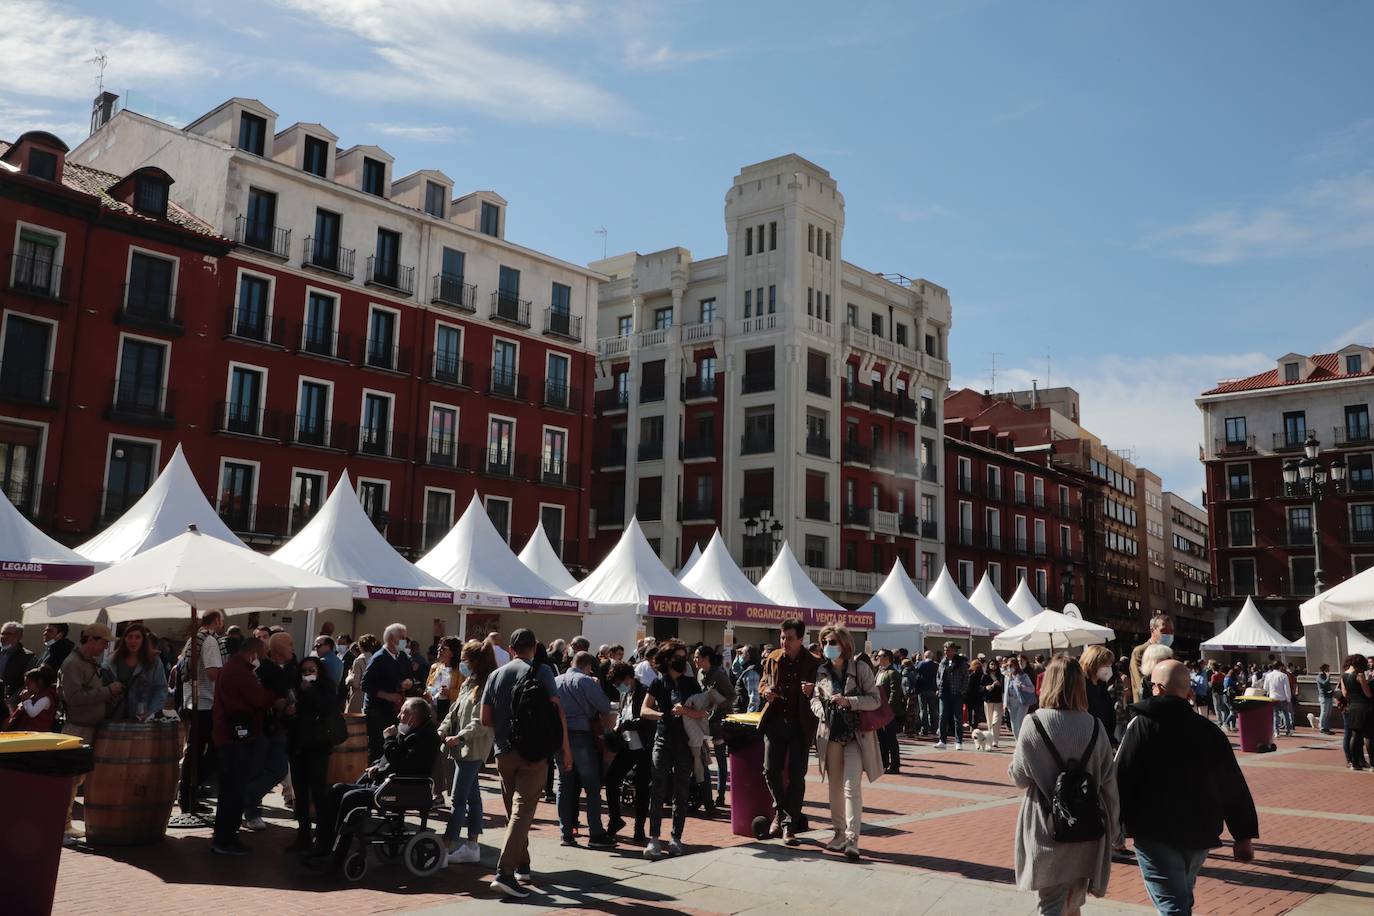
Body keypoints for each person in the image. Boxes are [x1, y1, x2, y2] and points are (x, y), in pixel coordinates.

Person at [1116, 659, 1258, 914]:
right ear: (1190, 692)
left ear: (1156, 688)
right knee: (1181, 893)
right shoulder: (1210, 731)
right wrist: (1243, 835)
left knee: (1173, 903)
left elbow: (1122, 776)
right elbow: (1232, 785)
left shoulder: (1142, 726)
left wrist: (1112, 824)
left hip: (1154, 830)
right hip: (1199, 831)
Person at [1008, 655, 1120, 915]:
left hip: (1046, 826)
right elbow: (1108, 783)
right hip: (1088, 828)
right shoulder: (1095, 726)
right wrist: (1114, 828)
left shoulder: (1033, 723)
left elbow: (1020, 778)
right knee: (1072, 902)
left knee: (1051, 904)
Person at [480, 628, 571, 899]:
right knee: (522, 812)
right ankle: (505, 873)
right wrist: (565, 749)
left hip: (503, 752)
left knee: (513, 812)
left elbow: (486, 719)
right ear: (534, 647)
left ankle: (523, 865)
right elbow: (557, 711)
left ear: (510, 648)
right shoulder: (542, 672)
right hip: (533, 752)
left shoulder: (495, 675)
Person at [309, 697, 441, 867]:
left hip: (400, 788)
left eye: (403, 713)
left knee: (351, 798)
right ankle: (323, 842)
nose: (399, 715)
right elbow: (392, 759)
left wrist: (390, 739)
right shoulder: (411, 730)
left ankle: (337, 853)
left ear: (412, 717)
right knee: (336, 789)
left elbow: (402, 765)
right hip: (387, 783)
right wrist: (378, 766)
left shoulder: (423, 737)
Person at [811, 624, 882, 860]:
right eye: (825, 643)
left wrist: (849, 701)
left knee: (851, 787)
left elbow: (875, 700)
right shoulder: (821, 670)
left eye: (832, 642)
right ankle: (839, 833)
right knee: (834, 787)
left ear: (844, 645)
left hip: (855, 736)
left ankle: (852, 838)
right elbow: (814, 699)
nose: (828, 647)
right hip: (830, 734)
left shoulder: (860, 668)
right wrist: (822, 710)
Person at [639, 638, 706, 859]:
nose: (682, 661)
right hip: (663, 740)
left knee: (681, 789)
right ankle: (654, 838)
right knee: (657, 787)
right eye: (677, 657)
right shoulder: (659, 682)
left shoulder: (691, 684)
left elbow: (702, 714)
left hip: (685, 742)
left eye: (683, 657)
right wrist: (664, 715)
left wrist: (685, 711)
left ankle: (676, 837)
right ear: (667, 659)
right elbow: (644, 710)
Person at [210, 637, 276, 856]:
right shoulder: (239, 671)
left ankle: (227, 837)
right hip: (235, 740)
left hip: (230, 738)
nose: (265, 658)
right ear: (253, 654)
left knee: (231, 791)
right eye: (264, 654)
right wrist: (274, 691)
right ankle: (225, 840)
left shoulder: (233, 668)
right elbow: (259, 699)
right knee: (233, 792)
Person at [758, 618, 820, 844]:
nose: (785, 642)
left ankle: (789, 826)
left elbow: (822, 691)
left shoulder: (813, 662)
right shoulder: (773, 658)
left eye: (790, 638)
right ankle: (781, 812)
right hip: (774, 723)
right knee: (769, 770)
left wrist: (812, 690)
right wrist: (766, 691)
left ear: (801, 639)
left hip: (800, 726)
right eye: (782, 637)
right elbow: (762, 683)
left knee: (796, 776)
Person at [58, 623, 121, 845]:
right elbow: (74, 698)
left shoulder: (86, 663)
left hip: (88, 727)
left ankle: (65, 826)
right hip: (77, 728)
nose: (105, 647)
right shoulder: (73, 663)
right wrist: (107, 691)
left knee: (77, 780)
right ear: (91, 639)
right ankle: (60, 829)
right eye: (103, 642)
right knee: (70, 780)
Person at [439, 639, 496, 864]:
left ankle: (445, 846)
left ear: (474, 661)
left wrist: (459, 737)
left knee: (458, 798)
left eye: (464, 659)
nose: (461, 663)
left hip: (472, 747)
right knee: (473, 797)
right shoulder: (468, 682)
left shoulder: (488, 686)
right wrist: (443, 729)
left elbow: (481, 722)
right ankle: (472, 845)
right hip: (460, 747)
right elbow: (454, 711)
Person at [553, 650, 614, 846]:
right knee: (592, 786)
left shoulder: (556, 681)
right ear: (588, 666)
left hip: (560, 736)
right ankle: (595, 833)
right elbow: (604, 705)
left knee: (565, 784)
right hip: (581, 736)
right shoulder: (586, 681)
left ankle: (565, 833)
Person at [244, 631, 297, 831]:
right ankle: (250, 808)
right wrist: (284, 706)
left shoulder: (292, 667)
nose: (293, 646)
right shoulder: (264, 669)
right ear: (277, 649)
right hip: (264, 728)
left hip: (280, 728)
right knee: (259, 769)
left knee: (279, 768)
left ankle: (247, 800)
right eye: (289, 643)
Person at [177, 609, 225, 814]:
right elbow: (213, 673)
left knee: (194, 750)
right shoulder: (210, 641)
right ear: (217, 620)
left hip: (193, 701)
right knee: (212, 751)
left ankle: (188, 794)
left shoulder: (193, 640)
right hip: (205, 703)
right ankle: (189, 791)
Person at [288, 654, 338, 851]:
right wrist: (289, 710)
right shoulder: (295, 689)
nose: (307, 674)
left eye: (311, 671)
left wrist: (311, 692)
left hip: (317, 747)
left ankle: (323, 837)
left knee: (318, 792)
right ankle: (303, 836)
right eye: (304, 671)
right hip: (298, 746)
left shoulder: (326, 687)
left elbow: (328, 709)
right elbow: (290, 716)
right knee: (300, 794)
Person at [603, 661, 653, 842]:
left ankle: (639, 828)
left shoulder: (645, 691)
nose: (618, 688)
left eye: (618, 683)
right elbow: (624, 713)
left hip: (643, 745)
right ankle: (615, 819)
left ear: (627, 678)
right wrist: (619, 725)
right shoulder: (625, 694)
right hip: (627, 744)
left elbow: (648, 720)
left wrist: (626, 725)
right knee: (610, 779)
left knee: (642, 787)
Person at [362, 624, 412, 760]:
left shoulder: (402, 657)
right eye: (401, 637)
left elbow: (408, 676)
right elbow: (365, 684)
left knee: (393, 746)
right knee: (378, 747)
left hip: (395, 711)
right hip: (377, 711)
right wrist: (388, 696)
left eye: (405, 638)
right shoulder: (379, 658)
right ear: (390, 638)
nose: (404, 641)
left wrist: (407, 683)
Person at [694, 644, 735, 807]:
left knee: (720, 757)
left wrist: (718, 705)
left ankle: (721, 794)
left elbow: (732, 695)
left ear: (706, 659)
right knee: (702, 756)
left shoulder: (718, 674)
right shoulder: (699, 673)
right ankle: (704, 793)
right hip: (703, 720)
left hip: (718, 721)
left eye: (697, 656)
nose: (694, 659)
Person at [102, 623, 169, 721]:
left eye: (137, 637)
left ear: (143, 640)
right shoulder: (112, 660)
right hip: (115, 715)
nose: (133, 641)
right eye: (130, 637)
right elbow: (103, 686)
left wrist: (151, 711)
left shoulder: (153, 661)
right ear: (124, 639)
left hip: (142, 716)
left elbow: (160, 689)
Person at [427, 636, 464, 805]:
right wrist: (428, 695)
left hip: (451, 715)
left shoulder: (460, 670)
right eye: (439, 648)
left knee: (445, 755)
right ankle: (436, 792)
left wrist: (450, 693)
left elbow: (465, 694)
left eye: (444, 648)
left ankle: (451, 791)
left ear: (453, 652)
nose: (440, 650)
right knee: (434, 753)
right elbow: (429, 686)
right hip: (434, 712)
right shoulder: (435, 667)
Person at [1129, 613, 1174, 703]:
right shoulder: (1140, 651)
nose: (1168, 635)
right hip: (1146, 705)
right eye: (1164, 631)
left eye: (1171, 632)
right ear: (1153, 630)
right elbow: (1141, 683)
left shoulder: (1169, 653)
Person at [1079, 646, 1117, 747]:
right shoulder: (1080, 687)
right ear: (1094, 663)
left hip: (1105, 739)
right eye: (1106, 664)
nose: (1109, 668)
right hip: (1089, 742)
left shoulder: (1102, 685)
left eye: (1110, 664)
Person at [935, 641, 969, 750]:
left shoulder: (961, 663)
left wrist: (962, 690)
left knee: (958, 718)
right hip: (944, 693)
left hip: (957, 693)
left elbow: (966, 678)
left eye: (948, 650)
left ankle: (958, 741)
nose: (946, 652)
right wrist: (939, 684)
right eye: (945, 650)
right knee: (942, 716)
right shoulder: (942, 662)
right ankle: (942, 740)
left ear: (954, 650)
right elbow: (938, 675)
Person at [874, 649, 904, 771]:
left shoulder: (893, 673)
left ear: (886, 658)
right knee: (882, 739)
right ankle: (884, 763)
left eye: (879, 656)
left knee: (891, 739)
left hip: (888, 713)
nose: (877, 658)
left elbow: (895, 693)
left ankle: (895, 765)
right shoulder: (879, 672)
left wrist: (889, 710)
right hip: (878, 710)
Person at [1340, 654, 1372, 770]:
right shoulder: (1359, 675)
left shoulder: (1343, 676)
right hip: (1363, 707)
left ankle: (1354, 763)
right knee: (1369, 736)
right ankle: (1372, 763)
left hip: (1351, 707)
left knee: (1355, 736)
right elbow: (1368, 693)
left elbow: (1345, 694)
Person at [5, 665, 58, 732]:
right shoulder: (35, 696)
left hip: (39, 733)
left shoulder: (46, 699)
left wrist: (26, 700)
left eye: (29, 684)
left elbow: (32, 713)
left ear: (39, 682)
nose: (27, 688)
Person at [1, 621, 36, 713]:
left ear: (19, 636)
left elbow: (27, 683)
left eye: (8, 634)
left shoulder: (28, 657)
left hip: (9, 705)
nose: (3, 637)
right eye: (2, 633)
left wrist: (10, 701)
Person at [345, 633, 378, 714]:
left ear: (360, 646)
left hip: (358, 697)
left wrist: (349, 676)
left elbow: (356, 683)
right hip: (371, 697)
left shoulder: (359, 660)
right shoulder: (376, 658)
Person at [1004, 657, 1036, 738]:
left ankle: (1023, 741)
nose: (1009, 668)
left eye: (1011, 666)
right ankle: (1018, 742)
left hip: (1022, 702)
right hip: (1011, 702)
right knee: (1013, 724)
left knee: (1019, 722)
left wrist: (1022, 687)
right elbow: (1005, 691)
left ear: (1016, 666)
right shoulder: (1007, 677)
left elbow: (1032, 689)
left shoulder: (1023, 676)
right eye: (1007, 666)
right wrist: (1005, 703)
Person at [980, 653, 1005, 749]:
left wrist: (999, 685)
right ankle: (990, 739)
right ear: (988, 666)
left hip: (998, 701)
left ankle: (995, 740)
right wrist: (986, 687)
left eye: (994, 664)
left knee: (997, 720)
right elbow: (980, 688)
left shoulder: (1001, 676)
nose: (993, 666)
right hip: (988, 701)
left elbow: (1005, 688)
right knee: (989, 721)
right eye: (991, 664)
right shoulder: (985, 676)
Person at [1262, 661, 1294, 737]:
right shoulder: (1283, 676)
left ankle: (1276, 731)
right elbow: (1287, 688)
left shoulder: (1268, 675)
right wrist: (1288, 699)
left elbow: (1265, 688)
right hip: (1282, 698)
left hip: (1273, 697)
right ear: (1280, 666)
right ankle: (1288, 730)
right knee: (1286, 714)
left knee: (1275, 715)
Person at [914, 649, 939, 736]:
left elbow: (916, 672)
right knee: (933, 710)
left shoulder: (921, 664)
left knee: (923, 710)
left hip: (922, 689)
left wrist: (917, 660)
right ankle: (934, 728)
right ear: (932, 656)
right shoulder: (936, 665)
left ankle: (924, 729)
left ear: (925, 656)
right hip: (933, 689)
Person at [731, 645, 762, 713]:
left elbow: (754, 697)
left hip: (744, 714)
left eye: (741, 653)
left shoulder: (751, 672)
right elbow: (735, 671)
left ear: (747, 655)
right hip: (741, 712)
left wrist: (750, 715)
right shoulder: (747, 669)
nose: (740, 656)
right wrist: (737, 655)